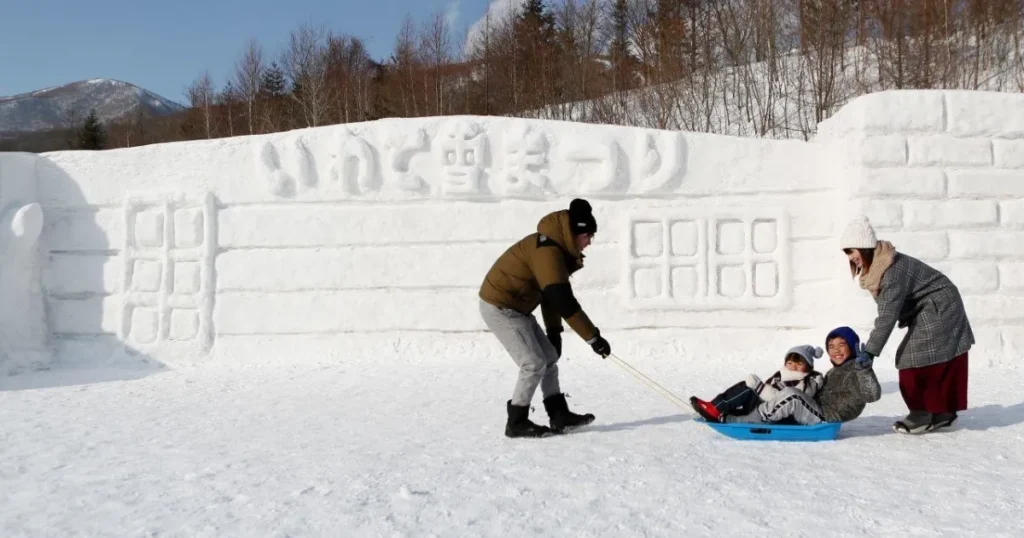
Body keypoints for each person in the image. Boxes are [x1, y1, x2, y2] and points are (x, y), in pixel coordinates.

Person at [478, 199, 612, 438]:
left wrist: (554, 331)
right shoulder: (546, 251)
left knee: (548, 357)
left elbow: (549, 296)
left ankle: (559, 415)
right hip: (500, 306)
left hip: (518, 308)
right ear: (574, 233)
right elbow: (562, 299)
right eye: (587, 235)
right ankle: (517, 422)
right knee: (533, 363)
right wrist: (593, 338)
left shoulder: (555, 249)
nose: (590, 241)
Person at [838, 216, 974, 434]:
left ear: (864, 247)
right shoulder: (878, 268)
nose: (850, 257)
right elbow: (888, 310)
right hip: (931, 306)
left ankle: (921, 414)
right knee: (927, 357)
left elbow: (887, 316)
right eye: (846, 252)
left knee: (912, 359)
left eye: (852, 251)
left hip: (940, 305)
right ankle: (942, 413)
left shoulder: (891, 271)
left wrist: (871, 352)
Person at [703, 327, 881, 426]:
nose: (836, 350)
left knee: (792, 395)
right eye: (831, 346)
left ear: (853, 346)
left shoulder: (857, 369)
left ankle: (750, 420)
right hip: (816, 408)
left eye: (842, 345)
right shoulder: (835, 371)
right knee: (780, 393)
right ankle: (725, 408)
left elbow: (872, 395)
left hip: (828, 416)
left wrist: (865, 370)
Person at [689, 345, 825, 423]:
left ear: (808, 366)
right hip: (765, 408)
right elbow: (767, 391)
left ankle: (716, 410)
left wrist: (759, 388)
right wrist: (757, 389)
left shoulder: (809, 381)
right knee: (747, 388)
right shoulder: (780, 375)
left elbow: (788, 400)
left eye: (799, 363)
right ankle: (717, 409)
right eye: (790, 363)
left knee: (752, 389)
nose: (793, 367)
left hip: (782, 415)